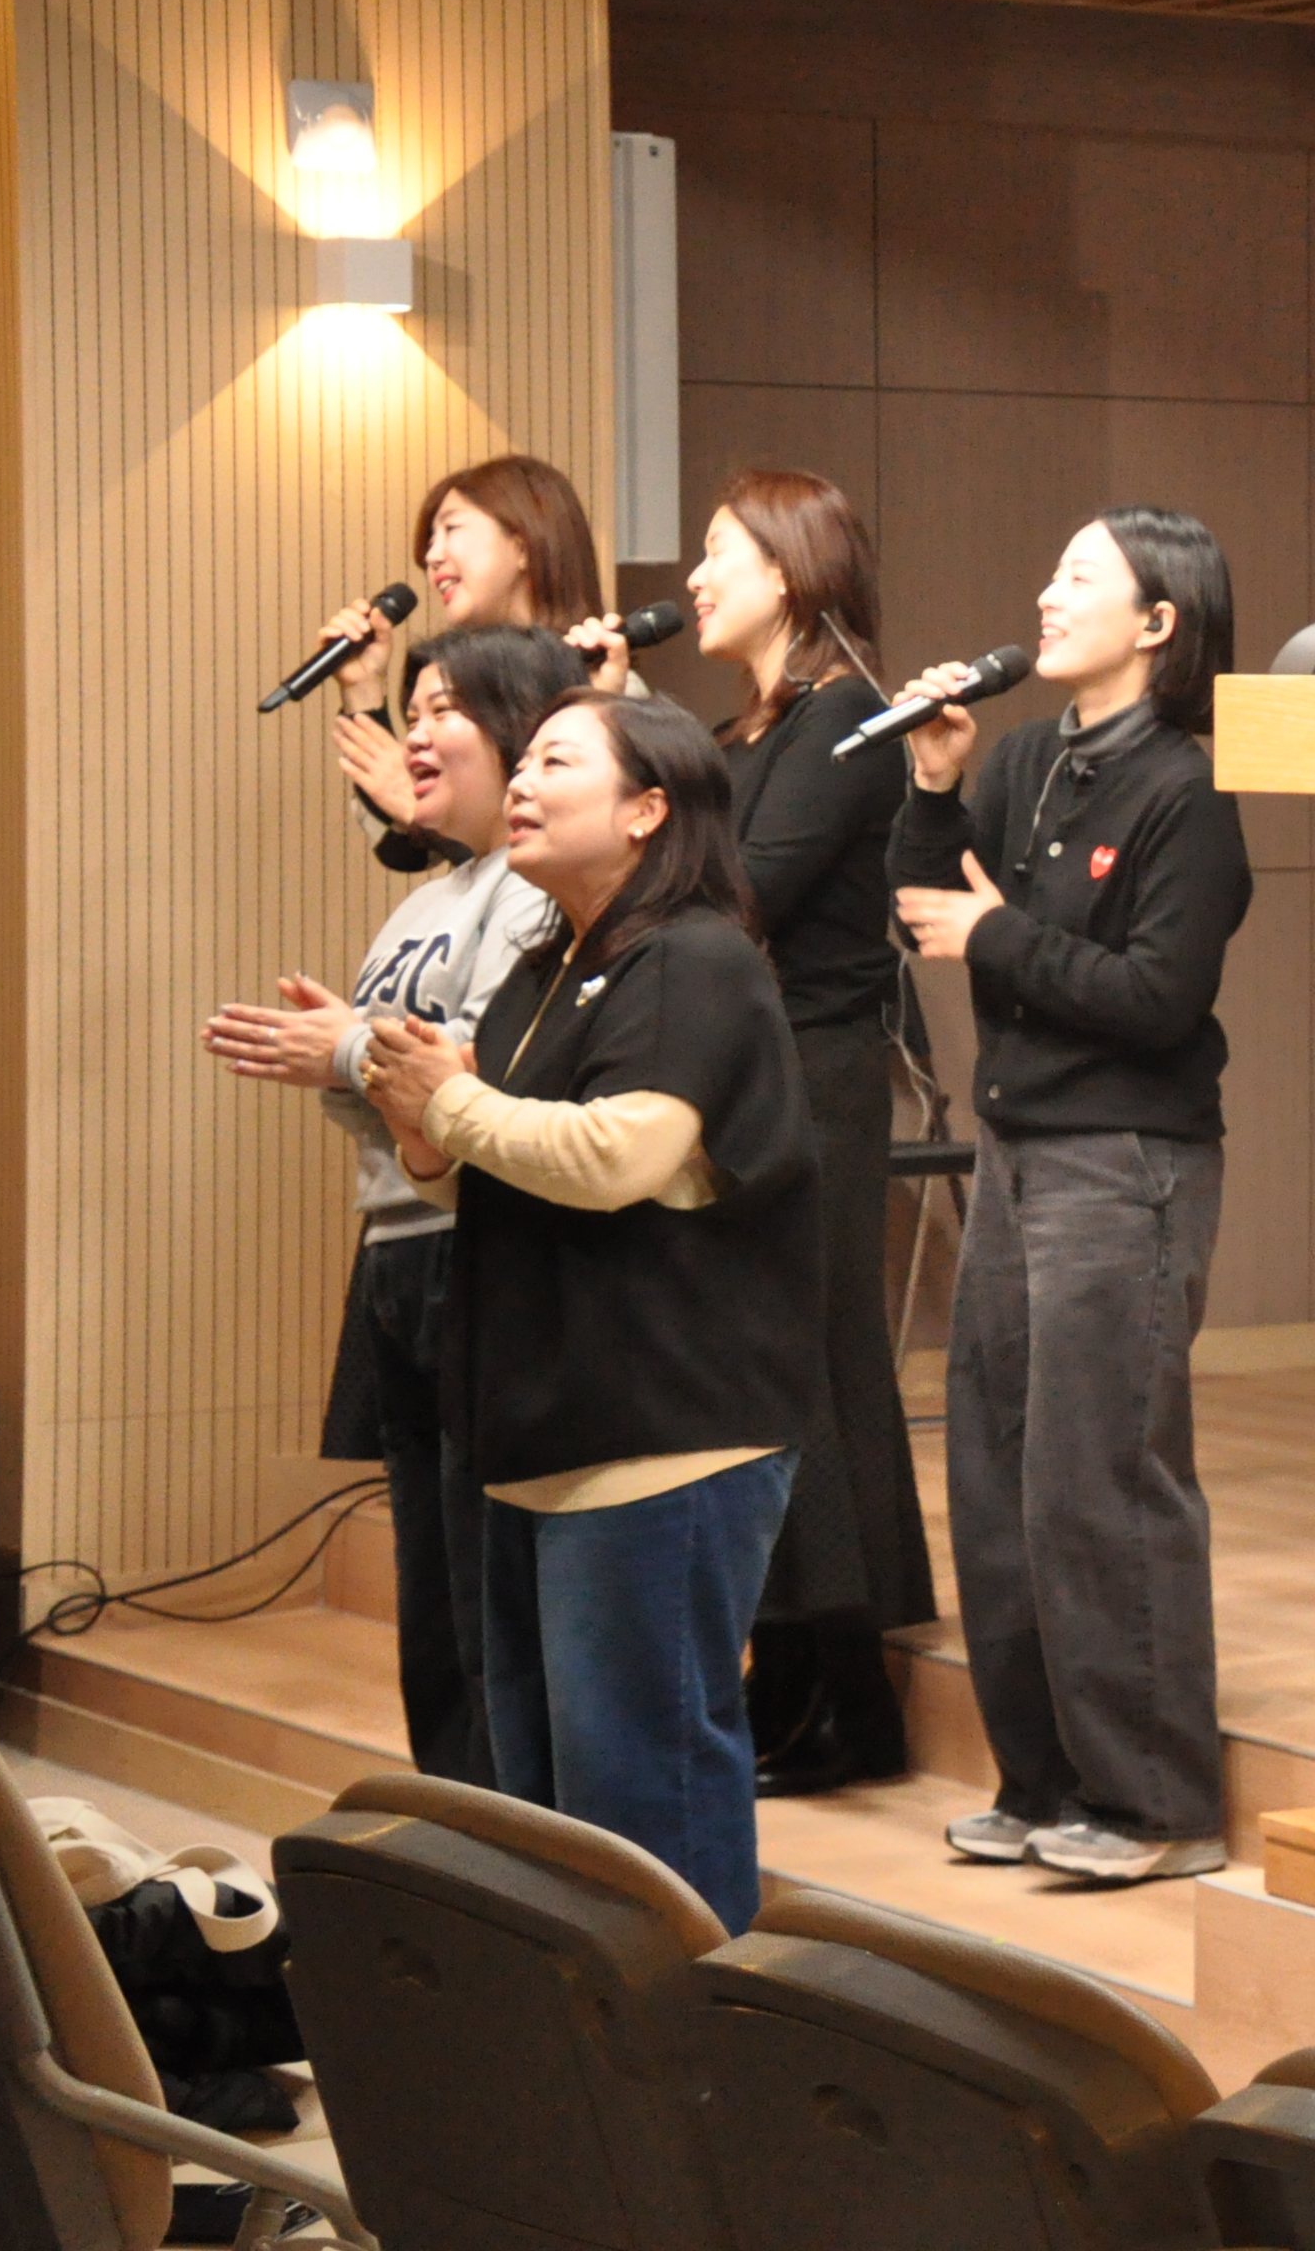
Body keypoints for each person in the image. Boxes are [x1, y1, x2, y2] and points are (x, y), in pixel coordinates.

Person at [355, 692, 821, 1933]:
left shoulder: (696, 958)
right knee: (545, 1803)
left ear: (648, 808)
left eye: (556, 761)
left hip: (661, 1434)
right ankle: (577, 2040)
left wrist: (449, 1107)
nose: (521, 780)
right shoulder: (541, 967)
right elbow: (485, 1160)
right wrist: (417, 1119)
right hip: (536, 1427)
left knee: (642, 1793)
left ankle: (690, 2040)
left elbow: (620, 1155)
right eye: (524, 761)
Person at [891, 505, 1254, 1884]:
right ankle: (1042, 1779)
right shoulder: (1025, 759)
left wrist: (999, 934)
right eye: (1050, 569)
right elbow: (924, 914)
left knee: (1100, 1476)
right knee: (999, 1476)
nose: (1045, 595)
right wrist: (934, 792)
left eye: (1078, 576)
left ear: (1157, 622)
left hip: (1127, 1157)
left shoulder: (1187, 792)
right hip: (1017, 1146)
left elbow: (1159, 997)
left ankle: (1156, 1803)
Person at [588, 470, 939, 1796]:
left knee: (808, 1366)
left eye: (718, 552)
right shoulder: (755, 723)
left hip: (814, 1076)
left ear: (787, 571)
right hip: (757, 1070)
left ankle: (850, 1694)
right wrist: (622, 714)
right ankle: (790, 1678)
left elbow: (749, 887)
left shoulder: (848, 716)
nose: (694, 578)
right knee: (765, 1373)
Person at [202, 624, 577, 1784]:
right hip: (395, 1242)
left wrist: (347, 1049)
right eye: (411, 710)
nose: (415, 735)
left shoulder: (531, 891)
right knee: (429, 1575)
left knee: (482, 1571)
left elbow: (482, 1066)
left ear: (522, 733)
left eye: (445, 709)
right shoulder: (422, 900)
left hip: (482, 1240)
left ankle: (508, 1825)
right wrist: (340, 1057)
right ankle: (450, 1815)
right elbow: (382, 1096)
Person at [319, 455, 608, 871]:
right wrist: (363, 688)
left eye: (451, 529)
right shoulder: (471, 678)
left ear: (522, 545)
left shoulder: (603, 685)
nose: (432, 557)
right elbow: (407, 850)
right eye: (430, 542)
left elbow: (571, 868)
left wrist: (411, 801)